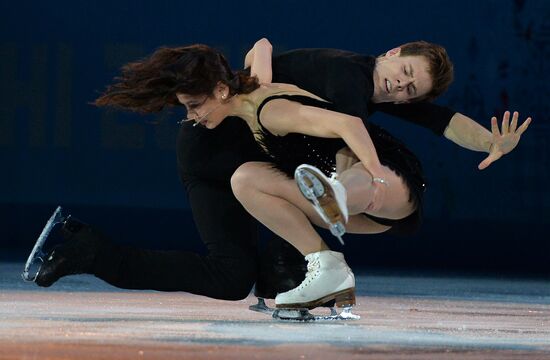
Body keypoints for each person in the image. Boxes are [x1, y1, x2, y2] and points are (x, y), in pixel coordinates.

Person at [32, 40, 530, 306]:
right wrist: (262, 87)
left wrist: (489, 141)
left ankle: (90, 249)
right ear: (394, 52)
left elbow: (439, 119)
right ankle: (305, 254)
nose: (402, 88)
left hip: (248, 152)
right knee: (258, 250)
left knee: (236, 278)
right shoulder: (345, 75)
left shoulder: (372, 89)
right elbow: (340, 129)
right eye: (404, 75)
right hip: (219, 151)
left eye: (410, 91)